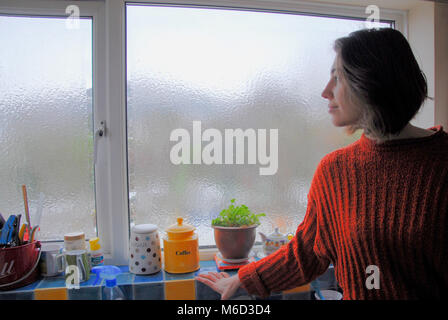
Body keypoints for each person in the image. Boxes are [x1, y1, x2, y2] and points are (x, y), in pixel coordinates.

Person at [195, 28, 448, 300]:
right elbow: (306, 251)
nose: (325, 91)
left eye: (337, 78)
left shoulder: (441, 164)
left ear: (372, 82)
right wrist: (243, 281)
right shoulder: (335, 171)